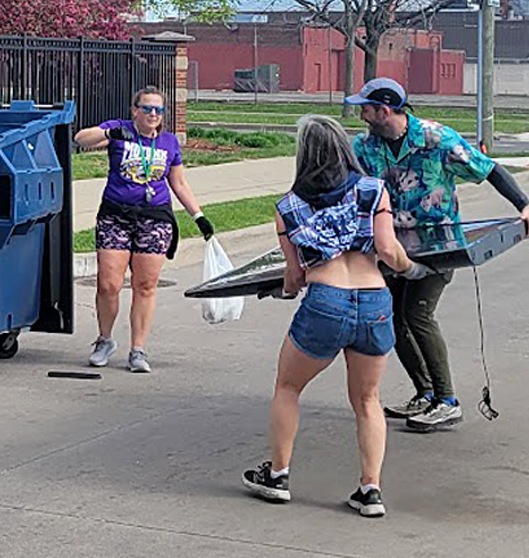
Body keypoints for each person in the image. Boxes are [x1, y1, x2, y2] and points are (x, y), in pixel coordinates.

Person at [242, 115, 431, 517]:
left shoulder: (288, 207)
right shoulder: (372, 190)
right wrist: (413, 269)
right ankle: (370, 490)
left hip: (325, 300)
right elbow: (389, 251)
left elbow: (294, 278)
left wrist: (285, 290)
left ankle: (277, 475)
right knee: (367, 399)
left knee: (288, 387)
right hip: (374, 301)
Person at [344, 77, 529, 432]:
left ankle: (447, 401)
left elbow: (487, 167)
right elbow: (344, 186)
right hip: (390, 245)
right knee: (392, 318)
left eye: (365, 109)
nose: (360, 115)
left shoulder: (436, 140)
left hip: (439, 245)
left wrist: (524, 204)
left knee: (417, 313)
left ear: (385, 110)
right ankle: (426, 392)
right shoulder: (366, 147)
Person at [73, 87, 214, 373]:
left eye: (158, 110)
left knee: (145, 285)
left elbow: (179, 183)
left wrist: (198, 216)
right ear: (134, 110)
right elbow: (81, 138)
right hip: (116, 215)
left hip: (154, 218)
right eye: (147, 108)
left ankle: (138, 350)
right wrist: (110, 135)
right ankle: (105, 340)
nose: (153, 114)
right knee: (109, 283)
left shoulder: (169, 143)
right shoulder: (118, 130)